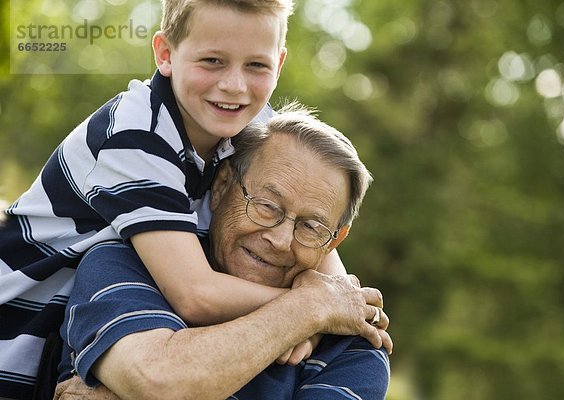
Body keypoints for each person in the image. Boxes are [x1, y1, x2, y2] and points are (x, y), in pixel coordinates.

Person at [0, 1, 359, 399]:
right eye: (212, 61)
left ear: (279, 62)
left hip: (76, 338)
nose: (234, 85)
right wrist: (305, 313)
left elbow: (333, 285)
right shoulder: (135, 134)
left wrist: (320, 309)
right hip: (12, 338)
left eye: (256, 66)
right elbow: (195, 295)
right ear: (165, 54)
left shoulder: (252, 127)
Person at [54, 104, 392, 400]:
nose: (280, 239)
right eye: (266, 205)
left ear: (334, 241)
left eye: (311, 228)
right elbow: (158, 380)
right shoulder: (127, 264)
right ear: (221, 188)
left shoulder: (353, 345)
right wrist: (308, 308)